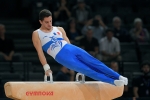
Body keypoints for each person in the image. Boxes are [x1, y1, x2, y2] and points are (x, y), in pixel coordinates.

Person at [32, 9, 128, 86]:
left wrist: (71, 50)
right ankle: (112, 82)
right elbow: (40, 52)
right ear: (40, 21)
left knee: (94, 62)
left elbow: (68, 43)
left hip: (71, 49)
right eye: (46, 22)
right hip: (61, 56)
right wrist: (46, 68)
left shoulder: (59, 29)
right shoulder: (37, 34)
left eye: (50, 21)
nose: (49, 24)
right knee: (87, 70)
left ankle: (118, 76)